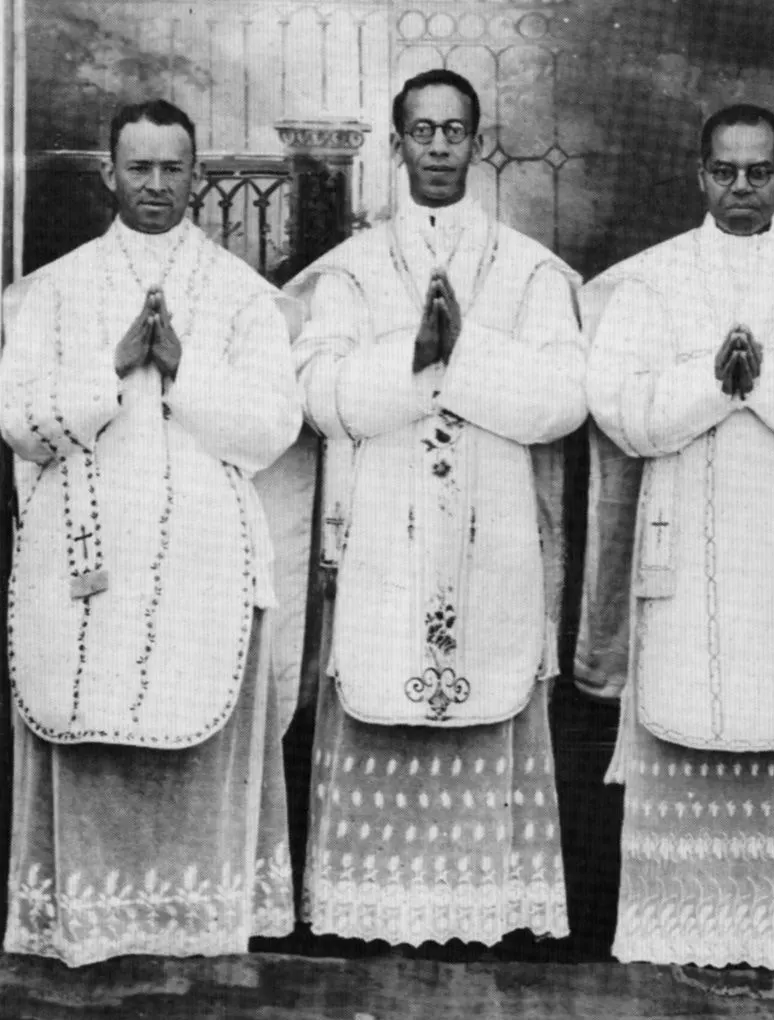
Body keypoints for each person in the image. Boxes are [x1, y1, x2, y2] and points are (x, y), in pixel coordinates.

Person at [287, 68, 586, 948]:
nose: (440, 147)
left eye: (455, 131)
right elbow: (318, 394)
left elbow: (565, 398)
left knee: (491, 686)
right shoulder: (350, 272)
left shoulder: (531, 271)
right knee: (382, 685)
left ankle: (487, 903)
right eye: (423, 131)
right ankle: (370, 905)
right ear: (397, 144)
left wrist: (468, 354)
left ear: (477, 142)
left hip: (495, 529)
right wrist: (413, 358)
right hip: (388, 531)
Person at [1, 99, 302, 965]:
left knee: (192, 728)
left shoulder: (245, 297)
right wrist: (112, 365)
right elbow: (19, 421)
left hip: (200, 559)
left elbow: (271, 428)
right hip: (88, 558)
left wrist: (181, 366)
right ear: (110, 173)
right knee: (91, 728)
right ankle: (93, 920)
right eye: (141, 167)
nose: (157, 185)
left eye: (174, 168)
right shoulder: (49, 292)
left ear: (197, 175)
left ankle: (196, 924)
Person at [586, 103, 774, 967]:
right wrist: (715, 386)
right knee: (687, 708)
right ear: (700, 175)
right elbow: (623, 411)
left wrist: (760, 382)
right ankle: (678, 917)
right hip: (687, 539)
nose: (741, 187)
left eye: (758, 171)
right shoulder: (647, 282)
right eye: (725, 171)